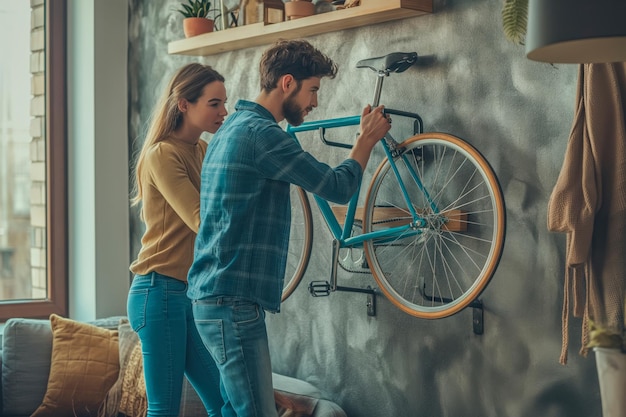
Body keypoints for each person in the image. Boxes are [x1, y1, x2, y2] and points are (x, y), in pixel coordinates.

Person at [187, 39, 392, 417]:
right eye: (312, 89)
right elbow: (337, 187)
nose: (315, 102)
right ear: (287, 83)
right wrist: (365, 140)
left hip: (213, 299)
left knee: (234, 411)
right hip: (232, 303)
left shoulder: (232, 126)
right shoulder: (262, 136)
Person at [128, 63, 228, 417]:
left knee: (225, 403)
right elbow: (202, 220)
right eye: (214, 103)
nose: (224, 112)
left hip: (184, 294)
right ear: (184, 103)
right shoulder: (162, 154)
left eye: (224, 103)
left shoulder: (200, 149)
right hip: (158, 291)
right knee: (164, 410)